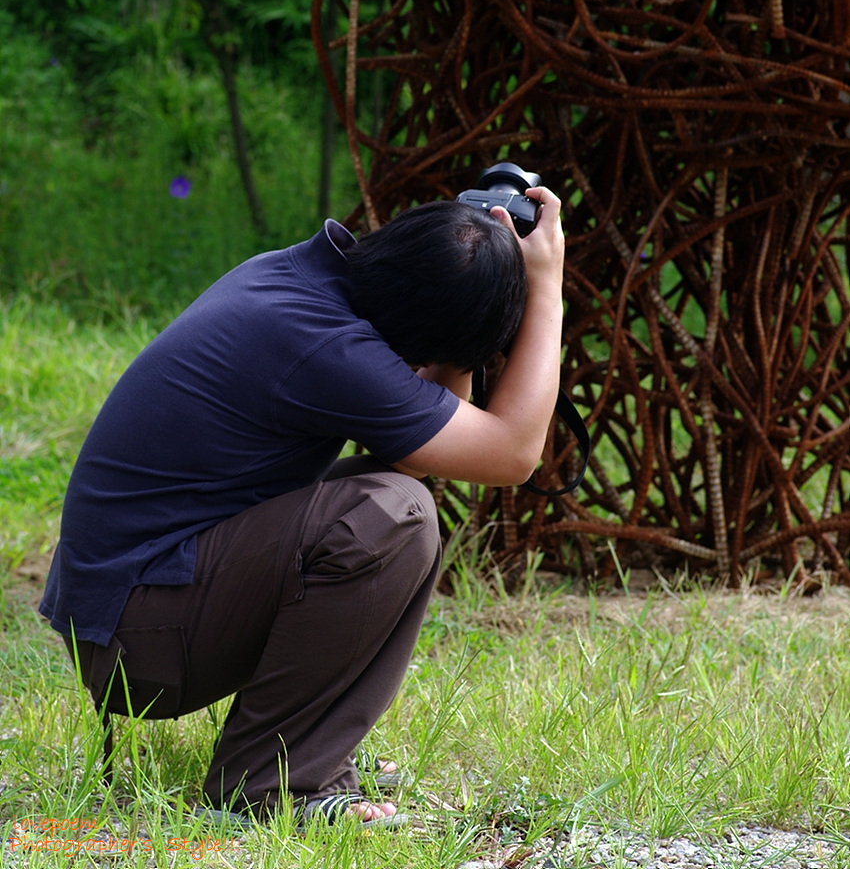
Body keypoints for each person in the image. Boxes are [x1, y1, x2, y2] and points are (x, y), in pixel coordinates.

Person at [39, 188, 564, 828]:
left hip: (125, 613)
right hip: (136, 646)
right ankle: (269, 784)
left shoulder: (297, 279)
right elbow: (513, 454)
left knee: (398, 498)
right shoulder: (327, 347)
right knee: (393, 518)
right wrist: (545, 285)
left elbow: (415, 456)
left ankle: (310, 750)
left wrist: (465, 295)